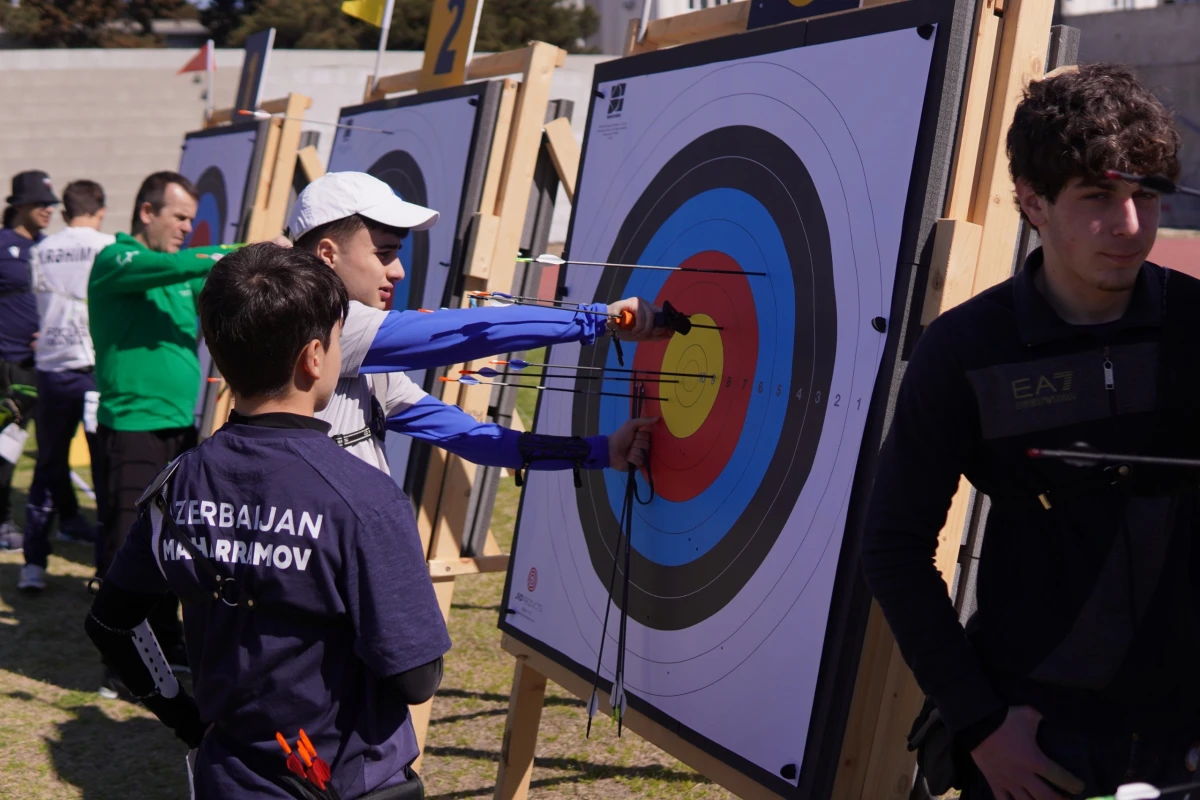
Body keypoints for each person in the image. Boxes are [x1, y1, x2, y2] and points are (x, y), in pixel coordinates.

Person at [84, 243, 650, 799]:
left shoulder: (178, 484)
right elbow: (416, 677)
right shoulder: (363, 498)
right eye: (337, 339)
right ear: (313, 357)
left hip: (227, 776)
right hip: (349, 780)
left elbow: (111, 622)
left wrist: (185, 717)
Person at [860, 64, 1200, 800]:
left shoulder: (1198, 329)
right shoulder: (963, 352)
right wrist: (980, 724)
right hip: (1039, 747)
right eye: (1098, 198)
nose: (1131, 226)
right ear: (1032, 200)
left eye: (1146, 196)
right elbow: (892, 546)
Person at [287, 171, 666, 479]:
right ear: (327, 254)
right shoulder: (318, 324)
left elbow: (470, 438)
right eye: (383, 254)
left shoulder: (358, 351)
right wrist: (598, 319)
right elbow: (462, 332)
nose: (398, 271)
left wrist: (600, 451)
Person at [88, 171, 238, 684]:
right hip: (132, 428)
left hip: (178, 428)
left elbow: (215, 283)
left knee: (173, 542)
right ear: (147, 213)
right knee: (127, 542)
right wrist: (245, 248)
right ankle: (121, 661)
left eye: (192, 220)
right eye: (178, 217)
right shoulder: (119, 260)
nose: (186, 228)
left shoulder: (174, 278)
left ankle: (166, 644)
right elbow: (182, 263)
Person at [19, 180, 115, 592]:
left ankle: (33, 565)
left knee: (48, 465)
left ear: (63, 211)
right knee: (104, 471)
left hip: (52, 370)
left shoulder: (41, 249)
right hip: (95, 370)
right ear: (101, 209)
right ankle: (103, 572)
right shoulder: (110, 246)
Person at [0, 170, 58, 550]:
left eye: (51, 204)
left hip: (43, 366)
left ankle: (65, 518)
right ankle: (3, 521)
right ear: (19, 206)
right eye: (41, 203)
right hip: (7, 367)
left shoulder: (50, 248)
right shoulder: (2, 244)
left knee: (42, 448)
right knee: (6, 448)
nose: (48, 210)